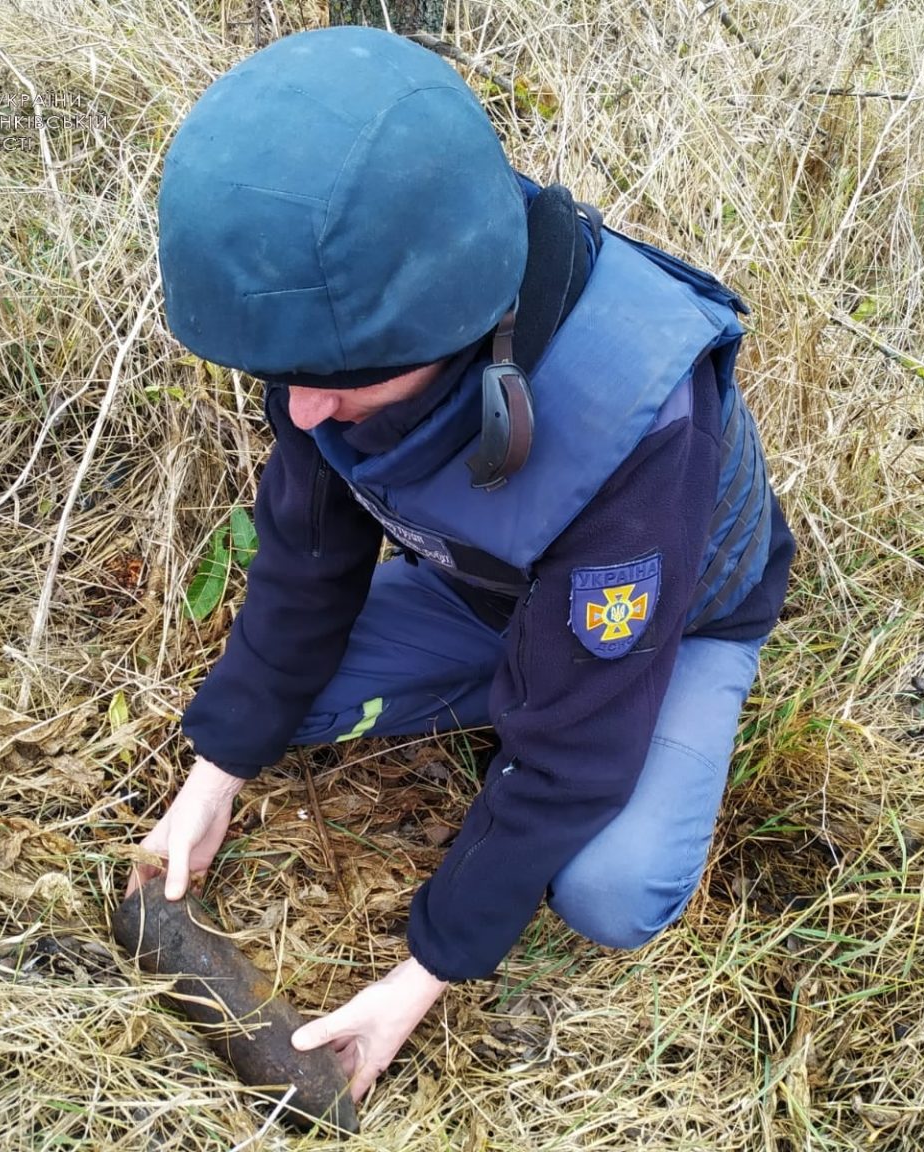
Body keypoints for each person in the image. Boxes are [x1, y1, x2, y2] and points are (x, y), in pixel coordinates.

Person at [130, 24, 795, 1105]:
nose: (300, 409)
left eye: (331, 382)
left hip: (666, 627)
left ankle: (554, 704)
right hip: (483, 586)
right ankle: (506, 685)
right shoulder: (343, 321)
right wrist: (215, 781)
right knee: (264, 714)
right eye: (284, 376)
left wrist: (423, 971)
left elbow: (573, 753)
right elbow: (306, 564)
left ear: (461, 323)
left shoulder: (633, 416)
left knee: (613, 888)